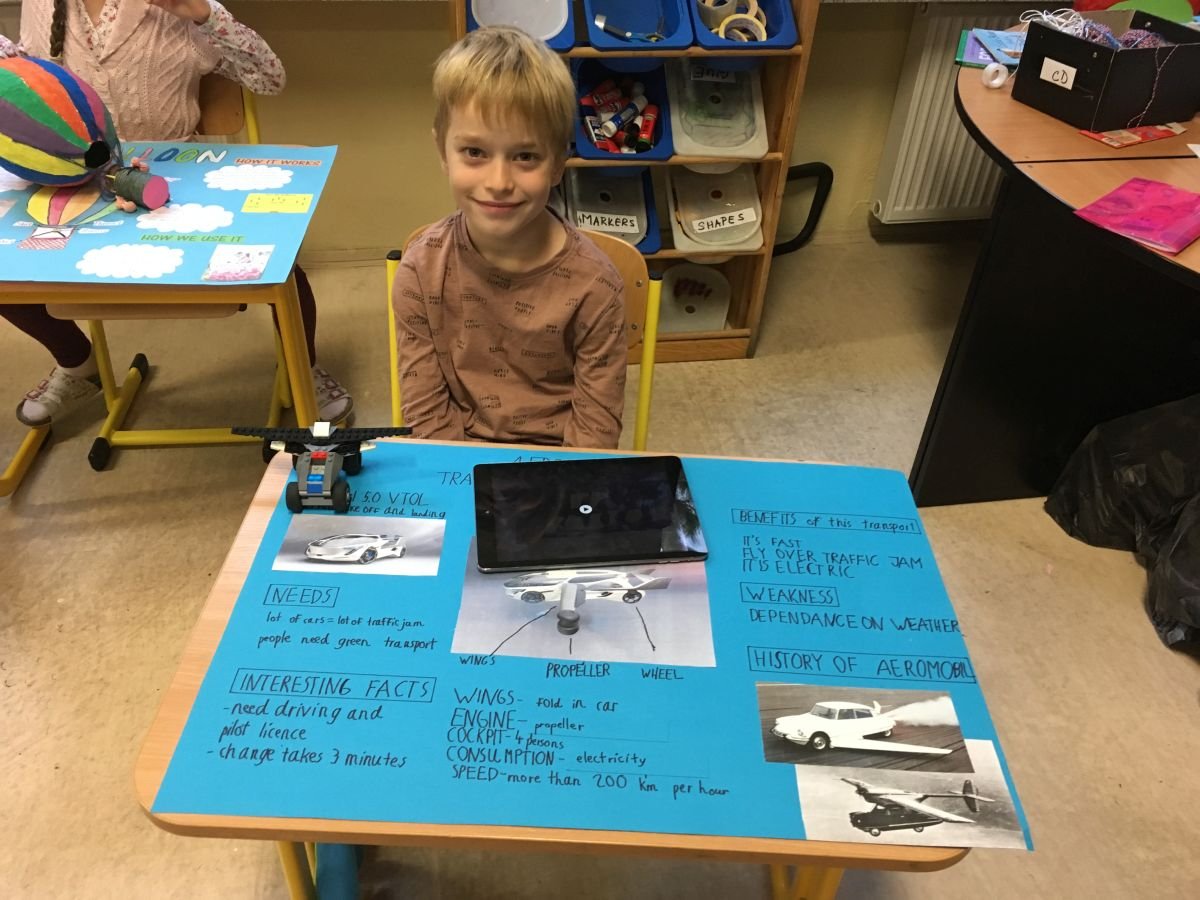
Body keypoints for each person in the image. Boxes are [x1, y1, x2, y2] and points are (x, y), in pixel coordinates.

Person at [0, 0, 352, 426]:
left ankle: (303, 365)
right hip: (75, 181)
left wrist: (204, 15)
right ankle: (77, 363)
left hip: (178, 177)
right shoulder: (42, 5)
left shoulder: (175, 9)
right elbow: (28, 91)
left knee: (279, 262)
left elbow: (270, 77)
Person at [392, 26, 627, 450]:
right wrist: (461, 475)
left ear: (557, 164)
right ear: (443, 152)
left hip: (559, 464)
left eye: (525, 156)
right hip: (455, 456)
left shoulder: (596, 285)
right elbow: (426, 412)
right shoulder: (419, 271)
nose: (499, 182)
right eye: (475, 152)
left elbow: (595, 428)